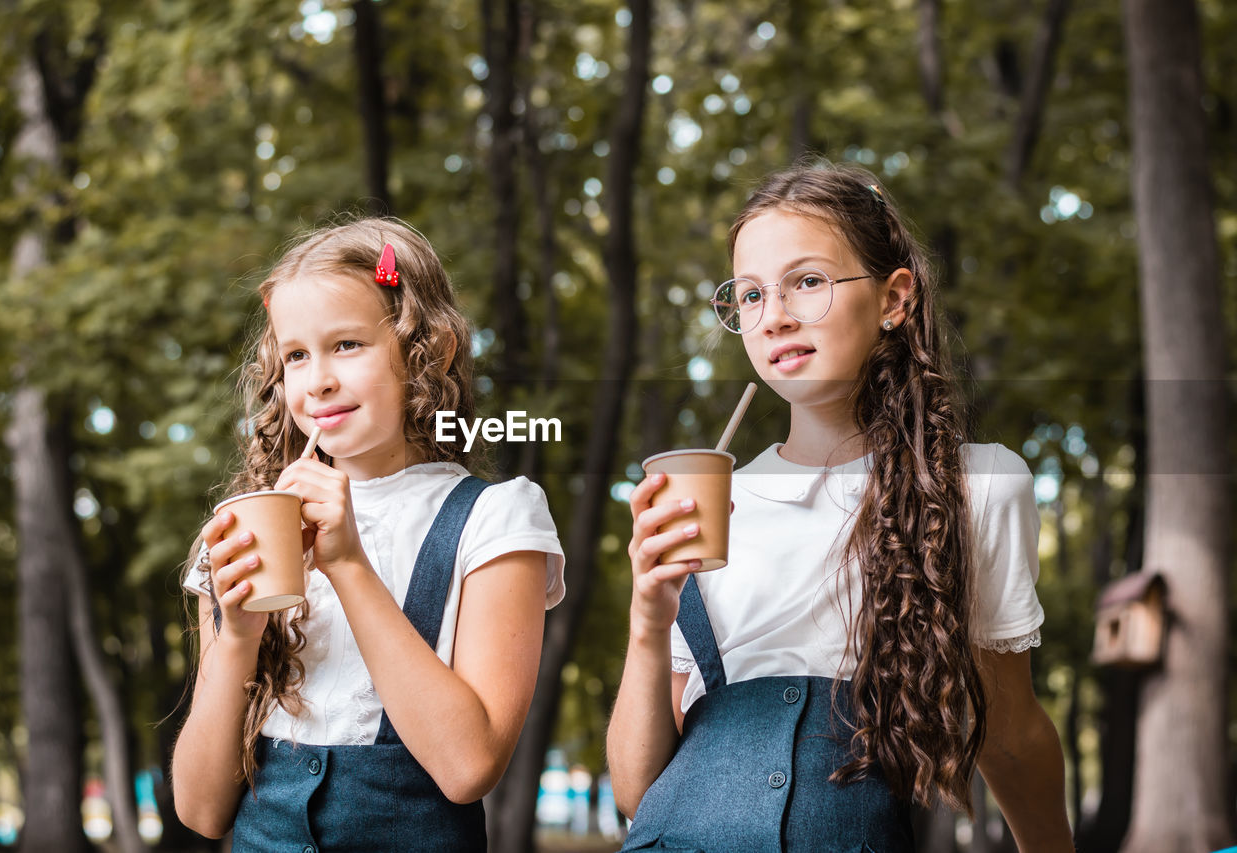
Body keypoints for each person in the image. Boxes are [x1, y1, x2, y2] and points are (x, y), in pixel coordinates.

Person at [607, 162, 1073, 852]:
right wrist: (649, 621)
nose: (776, 317)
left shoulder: (978, 487)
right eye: (752, 295)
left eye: (808, 281)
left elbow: (1008, 728)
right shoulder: (710, 503)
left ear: (894, 298)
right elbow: (637, 790)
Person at [171, 218, 565, 852]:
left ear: (427, 351)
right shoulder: (247, 528)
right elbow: (200, 809)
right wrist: (238, 639)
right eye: (296, 354)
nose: (317, 379)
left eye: (347, 345)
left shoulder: (494, 519)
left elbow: (469, 769)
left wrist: (349, 566)